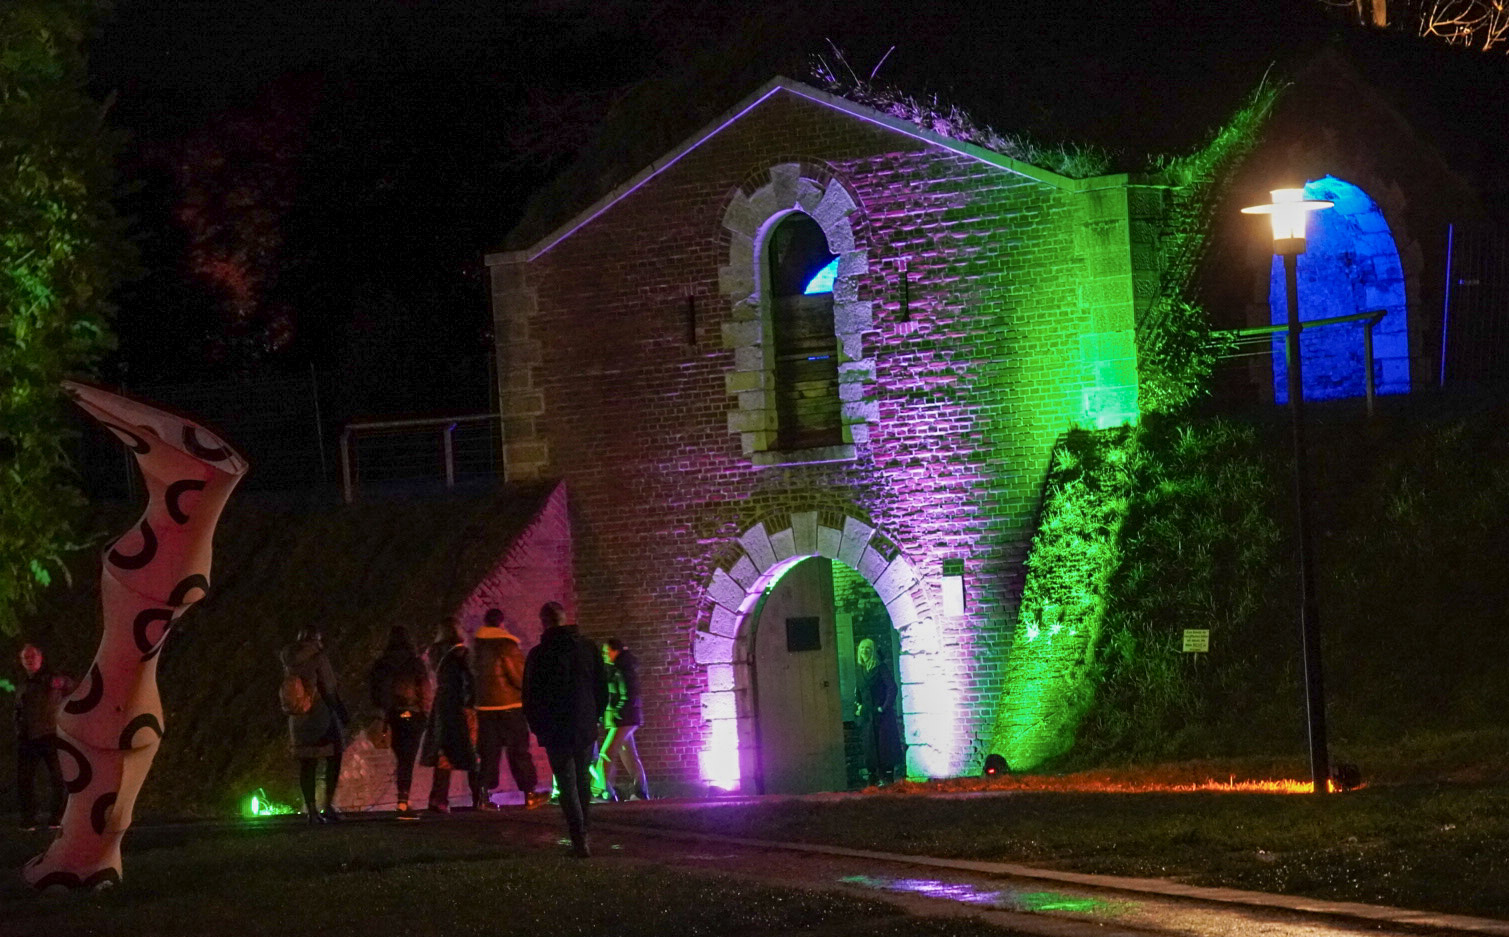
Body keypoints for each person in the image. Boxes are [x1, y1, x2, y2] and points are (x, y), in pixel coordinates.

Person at [523, 601, 606, 857]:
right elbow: (601, 687)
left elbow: (530, 695)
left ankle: (578, 838)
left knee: (566, 782)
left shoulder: (539, 654)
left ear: (544, 622)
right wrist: (595, 716)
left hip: (555, 727)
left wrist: (538, 726)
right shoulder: (587, 648)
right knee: (582, 780)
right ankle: (584, 832)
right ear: (564, 618)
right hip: (583, 723)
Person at [471, 608, 544, 809]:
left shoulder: (476, 648)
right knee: (519, 751)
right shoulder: (507, 645)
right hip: (510, 706)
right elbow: (519, 677)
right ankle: (529, 794)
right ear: (501, 623)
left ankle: (483, 797)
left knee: (488, 752)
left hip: (485, 709)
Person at [279, 627, 349, 824]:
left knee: (307, 764)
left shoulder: (288, 660)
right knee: (334, 756)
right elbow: (329, 688)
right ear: (316, 640)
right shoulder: (319, 657)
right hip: (321, 717)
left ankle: (311, 811)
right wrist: (341, 712)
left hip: (298, 719)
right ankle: (327, 805)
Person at [368, 626, 431, 819]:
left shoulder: (381, 664)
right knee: (407, 759)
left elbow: (375, 691)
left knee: (400, 756)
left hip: (392, 715)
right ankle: (403, 801)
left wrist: (380, 714)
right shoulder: (415, 663)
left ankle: (403, 799)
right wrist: (425, 711)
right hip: (413, 713)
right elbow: (424, 688)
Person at [419, 616, 477, 813]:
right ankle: (478, 797)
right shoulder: (461, 653)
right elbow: (468, 679)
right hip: (458, 704)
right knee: (471, 748)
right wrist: (471, 703)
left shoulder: (435, 653)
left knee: (443, 751)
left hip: (442, 703)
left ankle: (437, 797)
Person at [13, 644, 73, 830]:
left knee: (58, 778)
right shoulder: (23, 683)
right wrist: (18, 729)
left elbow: (74, 691)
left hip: (50, 735)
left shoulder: (54, 679)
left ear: (40, 657)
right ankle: (28, 820)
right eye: (25, 658)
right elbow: (19, 709)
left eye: (32, 656)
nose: (29, 660)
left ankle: (57, 818)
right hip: (28, 737)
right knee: (24, 780)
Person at [596, 637, 648, 802]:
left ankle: (604, 790)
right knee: (629, 756)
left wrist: (616, 713)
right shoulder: (622, 668)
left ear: (615, 651)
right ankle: (640, 792)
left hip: (623, 720)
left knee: (606, 753)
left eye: (607, 652)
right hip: (626, 719)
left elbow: (628, 696)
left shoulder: (621, 670)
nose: (604, 655)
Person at [854, 637, 903, 786]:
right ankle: (872, 778)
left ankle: (887, 778)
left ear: (873, 651)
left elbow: (892, 688)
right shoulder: (859, 670)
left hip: (882, 716)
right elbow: (859, 692)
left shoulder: (881, 668)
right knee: (870, 747)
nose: (864, 651)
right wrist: (858, 706)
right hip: (867, 717)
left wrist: (884, 707)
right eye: (862, 648)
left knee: (884, 746)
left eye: (868, 648)